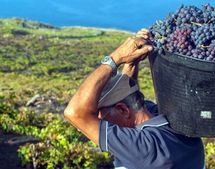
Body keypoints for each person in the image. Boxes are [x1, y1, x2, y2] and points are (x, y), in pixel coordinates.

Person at [64, 29, 205, 169]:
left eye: (101, 117)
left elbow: (75, 113)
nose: (100, 123)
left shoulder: (145, 148)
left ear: (123, 109)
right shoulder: (172, 124)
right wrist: (131, 63)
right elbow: (127, 91)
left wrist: (115, 58)